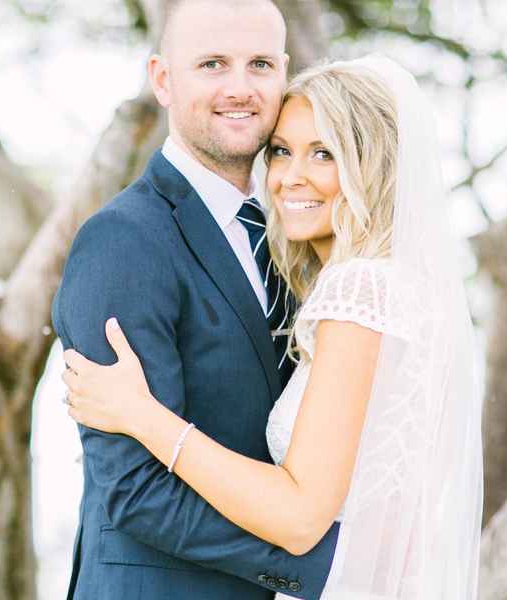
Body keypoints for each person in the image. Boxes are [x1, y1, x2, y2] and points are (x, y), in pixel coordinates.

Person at [61, 55, 483, 600]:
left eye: (324, 154)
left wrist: (144, 418)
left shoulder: (361, 291)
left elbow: (300, 515)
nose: (290, 178)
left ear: (372, 167)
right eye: (281, 151)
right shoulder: (396, 292)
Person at [50, 1, 340, 598]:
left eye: (260, 64)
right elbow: (135, 491)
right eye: (212, 64)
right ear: (163, 79)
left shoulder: (295, 236)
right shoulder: (124, 241)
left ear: (283, 74)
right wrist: (331, 565)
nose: (240, 88)